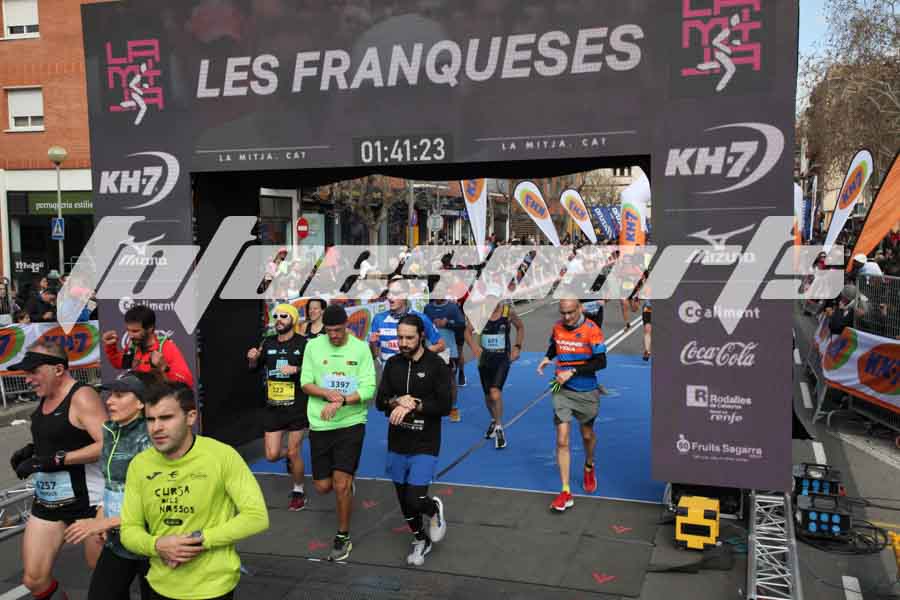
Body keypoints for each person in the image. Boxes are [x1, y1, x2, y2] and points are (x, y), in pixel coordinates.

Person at [120, 383, 269, 600]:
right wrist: (157, 545)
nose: (156, 428)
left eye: (166, 418)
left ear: (190, 417)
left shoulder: (222, 456)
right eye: (150, 419)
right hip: (160, 584)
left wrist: (198, 540)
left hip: (213, 587)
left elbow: (256, 517)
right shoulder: (139, 464)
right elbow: (129, 530)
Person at [9, 341, 107, 600]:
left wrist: (55, 460)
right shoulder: (46, 397)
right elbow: (63, 435)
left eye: (34, 371)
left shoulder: (82, 396)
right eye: (26, 373)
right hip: (49, 500)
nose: (28, 379)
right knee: (34, 579)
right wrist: (31, 451)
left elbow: (106, 445)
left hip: (89, 501)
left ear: (59, 369)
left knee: (102, 573)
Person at [64, 370, 168, 600]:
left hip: (152, 540)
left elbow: (157, 504)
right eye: (110, 394)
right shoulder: (111, 431)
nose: (109, 401)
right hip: (119, 538)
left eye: (119, 395)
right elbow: (113, 483)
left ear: (141, 403)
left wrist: (103, 522)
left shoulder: (152, 439)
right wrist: (103, 513)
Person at [300, 305, 376, 562]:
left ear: (347, 326)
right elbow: (305, 383)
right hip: (321, 424)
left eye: (338, 330)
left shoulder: (360, 348)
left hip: (351, 423)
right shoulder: (313, 347)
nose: (333, 335)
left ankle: (343, 537)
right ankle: (345, 484)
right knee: (323, 487)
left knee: (341, 485)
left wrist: (342, 401)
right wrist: (326, 394)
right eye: (329, 330)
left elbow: (368, 388)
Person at [375, 315, 451, 566]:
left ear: (421, 336)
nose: (403, 343)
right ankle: (421, 539)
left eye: (409, 338)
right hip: (397, 441)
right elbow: (380, 401)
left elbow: (445, 405)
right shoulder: (393, 364)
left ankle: (433, 509)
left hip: (425, 442)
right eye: (400, 338)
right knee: (403, 501)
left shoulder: (436, 365)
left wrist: (415, 404)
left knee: (415, 498)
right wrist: (397, 401)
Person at [537, 299, 607, 512]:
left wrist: (573, 371)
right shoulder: (558, 327)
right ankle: (565, 491)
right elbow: (555, 345)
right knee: (562, 439)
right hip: (561, 388)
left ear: (580, 308)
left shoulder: (592, 330)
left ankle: (589, 465)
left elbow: (601, 362)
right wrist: (547, 357)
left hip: (586, 390)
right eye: (563, 313)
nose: (566, 317)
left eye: (570, 312)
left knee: (587, 435)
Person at [247, 303, 309, 511]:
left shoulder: (303, 343)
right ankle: (289, 457)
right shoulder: (268, 342)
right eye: (276, 316)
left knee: (294, 451)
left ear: (293, 319)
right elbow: (254, 369)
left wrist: (297, 369)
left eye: (284, 316)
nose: (279, 320)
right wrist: (253, 360)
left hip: (296, 406)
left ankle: (298, 491)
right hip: (273, 407)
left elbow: (314, 371)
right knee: (272, 455)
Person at [464, 296, 525, 449]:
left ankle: (499, 427)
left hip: (502, 359)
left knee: (495, 393)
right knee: (487, 396)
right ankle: (493, 420)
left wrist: (517, 347)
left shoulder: (507, 312)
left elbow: (520, 327)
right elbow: (467, 332)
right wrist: (474, 347)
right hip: (484, 360)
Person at [102, 305, 194, 386]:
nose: (130, 335)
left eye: (135, 331)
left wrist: (165, 369)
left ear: (150, 328)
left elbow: (188, 382)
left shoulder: (166, 347)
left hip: (158, 398)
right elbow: (121, 364)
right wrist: (111, 347)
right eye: (128, 330)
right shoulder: (134, 345)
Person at [369, 278, 445, 365]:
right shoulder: (378, 319)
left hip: (412, 370)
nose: (390, 297)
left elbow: (441, 345)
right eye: (388, 292)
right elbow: (374, 355)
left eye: (395, 293)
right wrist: (373, 343)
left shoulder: (421, 318)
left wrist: (420, 353)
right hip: (388, 371)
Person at [424, 297, 466, 422]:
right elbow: (423, 326)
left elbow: (462, 326)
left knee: (451, 380)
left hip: (449, 350)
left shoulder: (453, 308)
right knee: (429, 380)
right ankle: (431, 407)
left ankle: (453, 409)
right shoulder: (427, 308)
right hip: (431, 349)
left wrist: (446, 324)